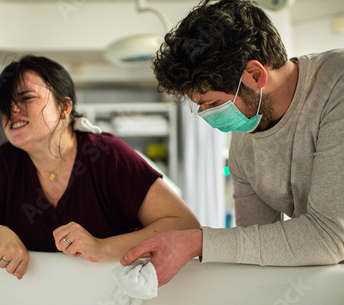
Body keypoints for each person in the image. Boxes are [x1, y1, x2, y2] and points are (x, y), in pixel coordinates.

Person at [122, 0, 344, 286]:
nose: (206, 117)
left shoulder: (335, 89)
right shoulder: (243, 143)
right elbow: (258, 247)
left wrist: (198, 242)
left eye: (212, 104)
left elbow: (329, 235)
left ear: (255, 75)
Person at [0, 55, 199, 280]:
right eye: (6, 104)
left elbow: (185, 226)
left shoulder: (105, 155)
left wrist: (103, 247)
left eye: (26, 98)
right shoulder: (4, 164)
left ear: (65, 107)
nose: (12, 110)